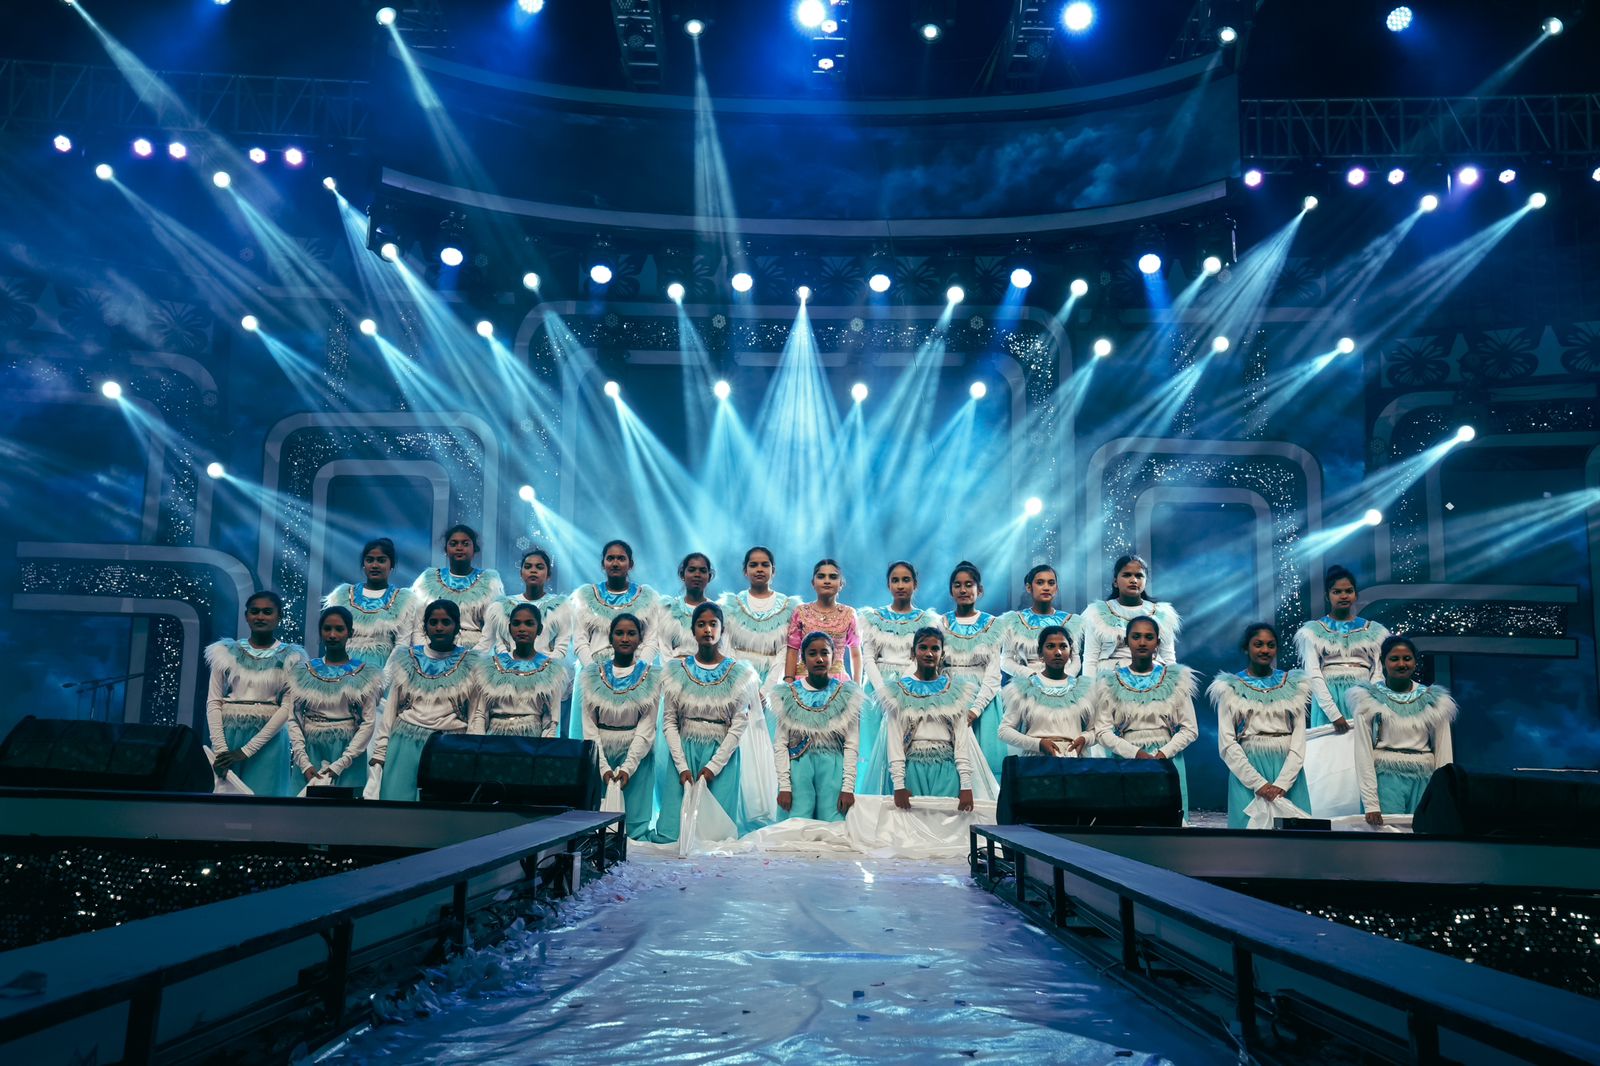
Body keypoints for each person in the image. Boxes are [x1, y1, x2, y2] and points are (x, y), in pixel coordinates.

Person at [655, 603, 768, 842]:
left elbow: (739, 724)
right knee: (671, 835)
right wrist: (681, 765)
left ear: (722, 629)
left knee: (715, 837)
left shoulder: (738, 674)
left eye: (713, 624)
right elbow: (670, 721)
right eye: (701, 624)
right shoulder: (677, 671)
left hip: (722, 752)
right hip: (685, 749)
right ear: (693, 631)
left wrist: (714, 766)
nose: (707, 629)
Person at [1093, 615, 1199, 817]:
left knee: (1169, 821)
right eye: (1136, 637)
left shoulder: (1175, 680)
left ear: (1157, 643)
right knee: (1132, 820)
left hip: (1167, 759)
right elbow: (1102, 731)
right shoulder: (1110, 682)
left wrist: (1163, 753)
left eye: (1149, 637)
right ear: (1126, 641)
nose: (1142, 642)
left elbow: (1190, 729)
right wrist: (1135, 753)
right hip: (1128, 759)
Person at [1210, 623, 1313, 829]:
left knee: (1293, 834)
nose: (1265, 650)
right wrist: (1258, 783)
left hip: (1286, 766)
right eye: (1258, 644)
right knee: (1249, 836)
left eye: (1270, 645)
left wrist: (1283, 782)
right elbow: (1227, 742)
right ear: (1246, 648)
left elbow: (1299, 738)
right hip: (1249, 767)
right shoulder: (1230, 687)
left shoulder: (1293, 685)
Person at [370, 599, 475, 801]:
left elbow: (476, 713)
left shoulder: (471, 662)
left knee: (442, 810)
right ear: (425, 626)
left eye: (446, 622)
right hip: (405, 741)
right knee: (397, 807)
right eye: (433, 622)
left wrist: (471, 751)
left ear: (457, 626)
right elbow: (392, 708)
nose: (439, 627)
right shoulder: (407, 658)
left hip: (449, 744)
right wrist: (380, 752)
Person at [1350, 636, 1457, 824]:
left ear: (1415, 662)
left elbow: (1443, 750)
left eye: (1407, 658)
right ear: (1383, 662)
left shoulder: (1434, 700)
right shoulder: (1368, 699)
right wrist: (1371, 803)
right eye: (1394, 659)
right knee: (1388, 838)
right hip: (1386, 780)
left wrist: (1442, 796)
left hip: (1424, 779)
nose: (1401, 664)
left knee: (1423, 835)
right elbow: (1363, 751)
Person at [205, 590, 303, 797]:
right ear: (246, 615)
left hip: (269, 737)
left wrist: (247, 750)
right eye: (255, 611)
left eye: (267, 612)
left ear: (279, 616)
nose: (260, 617)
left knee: (264, 801)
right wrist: (221, 750)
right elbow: (213, 701)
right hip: (229, 734)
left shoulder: (292, 657)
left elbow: (288, 707)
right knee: (225, 803)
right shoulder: (225, 652)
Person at [576, 613, 662, 841]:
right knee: (598, 826)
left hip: (636, 753)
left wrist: (628, 766)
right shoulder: (592, 675)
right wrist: (603, 767)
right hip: (600, 752)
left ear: (640, 639)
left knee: (633, 830)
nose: (625, 639)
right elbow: (589, 726)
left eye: (631, 633)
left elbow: (647, 726)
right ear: (610, 638)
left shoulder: (651, 677)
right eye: (619, 633)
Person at [855, 561, 938, 793]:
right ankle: (873, 799)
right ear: (888, 584)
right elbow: (868, 657)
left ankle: (905, 794)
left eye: (906, 580)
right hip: (877, 687)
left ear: (915, 584)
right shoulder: (874, 618)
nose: (900, 585)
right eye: (895, 580)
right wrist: (883, 692)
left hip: (914, 685)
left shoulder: (927, 620)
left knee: (908, 744)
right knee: (873, 745)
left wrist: (904, 686)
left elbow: (924, 656)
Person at [285, 606, 381, 792]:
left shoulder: (364, 673)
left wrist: (342, 762)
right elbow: (294, 718)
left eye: (339, 629)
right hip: (311, 750)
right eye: (327, 629)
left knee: (344, 808)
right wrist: (303, 762)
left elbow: (368, 722)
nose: (332, 635)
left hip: (349, 752)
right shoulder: (304, 672)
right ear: (320, 632)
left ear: (350, 632)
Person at [771, 632, 864, 822]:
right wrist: (785, 786)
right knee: (796, 825)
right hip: (799, 769)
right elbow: (781, 744)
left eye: (825, 653)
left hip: (833, 769)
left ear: (833, 656)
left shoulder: (847, 695)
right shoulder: (788, 695)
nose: (819, 659)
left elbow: (851, 745)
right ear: (803, 658)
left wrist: (847, 788)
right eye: (812, 654)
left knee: (833, 825)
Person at [882, 627, 976, 811]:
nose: (929, 653)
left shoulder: (955, 691)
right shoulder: (898, 692)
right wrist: (899, 784)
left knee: (945, 823)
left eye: (935, 648)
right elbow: (894, 739)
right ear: (913, 652)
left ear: (942, 654)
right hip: (913, 768)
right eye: (923, 647)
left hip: (947, 768)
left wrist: (966, 785)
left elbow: (961, 739)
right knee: (912, 824)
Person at [1293, 566, 1390, 731]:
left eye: (1348, 591)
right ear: (1327, 596)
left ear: (1355, 594)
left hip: (1362, 697)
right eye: (1337, 592)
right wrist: (1333, 713)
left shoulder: (1374, 631)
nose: (1343, 596)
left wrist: (1371, 703)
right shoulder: (1313, 631)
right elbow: (1313, 673)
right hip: (1328, 697)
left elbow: (1377, 672)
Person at [939, 561, 1006, 776]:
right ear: (951, 591)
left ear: (980, 589)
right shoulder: (941, 623)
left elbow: (994, 673)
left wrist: (976, 710)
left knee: (985, 766)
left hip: (982, 700)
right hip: (949, 696)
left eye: (969, 585)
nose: (963, 590)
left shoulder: (992, 624)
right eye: (957, 585)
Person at [470, 604, 572, 738]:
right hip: (494, 739)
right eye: (516, 623)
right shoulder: (490, 667)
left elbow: (551, 721)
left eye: (529, 624)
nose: (522, 629)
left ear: (539, 629)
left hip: (532, 741)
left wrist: (542, 748)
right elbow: (480, 714)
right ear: (509, 628)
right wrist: (479, 744)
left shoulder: (551, 670)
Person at [998, 626, 1096, 757]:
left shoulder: (1083, 689)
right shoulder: (1024, 688)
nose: (1058, 652)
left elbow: (1096, 730)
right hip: (1037, 761)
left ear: (1070, 652)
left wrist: (1085, 739)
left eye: (1063, 646)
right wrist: (1038, 744)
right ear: (1040, 653)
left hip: (1073, 760)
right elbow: (1004, 731)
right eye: (1050, 646)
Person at [1080, 555, 1181, 677]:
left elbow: (1168, 656)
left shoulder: (1162, 614)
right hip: (1109, 678)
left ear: (1145, 582)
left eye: (1139, 576)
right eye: (1127, 575)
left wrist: (1174, 684)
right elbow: (1090, 658)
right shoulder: (1096, 613)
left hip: (1152, 676)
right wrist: (1089, 687)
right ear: (1115, 582)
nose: (1133, 580)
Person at [569, 539, 664, 666]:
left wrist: (639, 670)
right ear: (603, 564)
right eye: (610, 558)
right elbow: (579, 640)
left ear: (630, 564)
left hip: (636, 667)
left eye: (621, 558)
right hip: (594, 668)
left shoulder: (647, 598)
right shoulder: (585, 597)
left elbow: (651, 640)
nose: (615, 563)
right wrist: (593, 671)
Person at [324, 537, 414, 670]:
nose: (375, 565)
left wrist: (387, 676)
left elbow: (402, 644)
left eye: (381, 560)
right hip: (344, 667)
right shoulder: (342, 595)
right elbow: (331, 637)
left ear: (391, 565)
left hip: (382, 667)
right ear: (363, 564)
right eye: (370, 560)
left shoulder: (403, 599)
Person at [718, 546, 801, 689]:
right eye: (753, 565)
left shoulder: (788, 608)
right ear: (745, 571)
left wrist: (768, 689)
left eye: (765, 565)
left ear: (773, 570)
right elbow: (725, 648)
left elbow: (786, 652)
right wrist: (737, 684)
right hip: (737, 682)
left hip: (774, 680)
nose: (759, 569)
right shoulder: (731, 606)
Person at [409, 524, 504, 647]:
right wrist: (426, 652)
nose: (459, 548)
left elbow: (492, 629)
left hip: (475, 649)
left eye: (465, 544)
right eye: (453, 544)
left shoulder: (490, 581)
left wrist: (475, 655)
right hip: (434, 649)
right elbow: (417, 625)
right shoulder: (427, 579)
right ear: (446, 550)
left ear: (474, 549)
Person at [478, 548, 572, 660]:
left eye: (539, 567)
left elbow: (562, 647)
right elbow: (486, 642)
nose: (533, 571)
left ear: (548, 575)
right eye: (528, 567)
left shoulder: (561, 606)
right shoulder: (500, 607)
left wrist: (543, 666)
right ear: (521, 573)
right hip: (507, 667)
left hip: (547, 667)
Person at [784, 559, 862, 684]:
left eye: (833, 577)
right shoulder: (801, 612)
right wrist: (788, 682)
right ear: (813, 583)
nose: (827, 581)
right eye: (821, 576)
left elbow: (856, 654)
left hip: (837, 682)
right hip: (804, 680)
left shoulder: (849, 614)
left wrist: (857, 686)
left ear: (841, 584)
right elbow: (792, 650)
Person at [999, 565, 1083, 679]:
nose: (1046, 587)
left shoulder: (1070, 621)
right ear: (1029, 587)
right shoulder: (1014, 621)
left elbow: (1075, 659)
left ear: (1056, 588)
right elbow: (1005, 660)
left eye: (1051, 583)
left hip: (1063, 682)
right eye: (1040, 582)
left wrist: (1063, 678)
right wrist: (1031, 675)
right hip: (1028, 683)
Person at [658, 552, 717, 660]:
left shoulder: (718, 612)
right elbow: (664, 647)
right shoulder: (669, 609)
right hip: (675, 667)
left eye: (702, 571)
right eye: (692, 570)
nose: (697, 574)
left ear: (709, 577)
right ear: (682, 574)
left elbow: (723, 649)